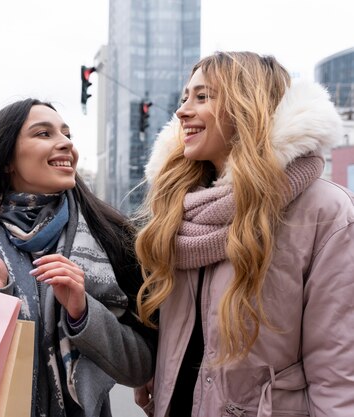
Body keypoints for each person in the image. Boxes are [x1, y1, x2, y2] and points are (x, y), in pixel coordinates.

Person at [134, 51, 354, 416]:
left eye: (202, 97)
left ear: (246, 106)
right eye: (185, 97)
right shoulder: (180, 207)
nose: (182, 111)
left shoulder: (325, 211)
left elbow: (338, 365)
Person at [0, 98, 155, 417]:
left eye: (67, 134)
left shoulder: (111, 242)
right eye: (44, 134)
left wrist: (83, 312)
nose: (65, 143)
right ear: (7, 159)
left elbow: (139, 368)